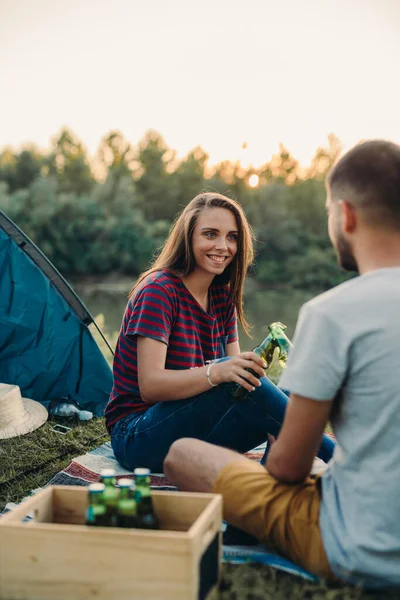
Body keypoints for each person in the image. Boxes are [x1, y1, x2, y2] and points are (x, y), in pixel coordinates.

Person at [163, 141, 400, 588]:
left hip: (358, 546)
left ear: (345, 215)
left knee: (183, 455)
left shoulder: (332, 313)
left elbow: (288, 468)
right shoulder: (165, 289)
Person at [105, 192, 335, 474]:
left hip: (196, 433)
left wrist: (247, 370)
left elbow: (240, 387)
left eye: (232, 237)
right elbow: (151, 387)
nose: (223, 246)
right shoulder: (159, 291)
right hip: (138, 436)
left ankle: (268, 481)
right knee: (231, 374)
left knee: (285, 390)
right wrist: (218, 373)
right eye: (210, 234)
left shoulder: (222, 297)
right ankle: (338, 456)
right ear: (188, 237)